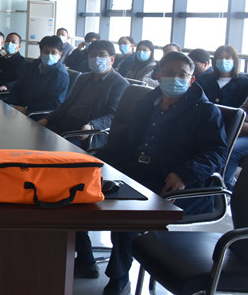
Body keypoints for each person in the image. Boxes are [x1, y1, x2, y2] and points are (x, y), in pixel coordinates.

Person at [89, 51, 227, 295]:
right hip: (135, 171)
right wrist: (95, 161)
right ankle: (84, 259)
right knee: (79, 193)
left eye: (182, 74)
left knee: (127, 214)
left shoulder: (205, 111)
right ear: (159, 76)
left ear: (192, 80)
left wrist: (185, 173)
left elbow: (216, 153)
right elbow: (124, 139)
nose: (176, 78)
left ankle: (119, 278)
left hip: (172, 181)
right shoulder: (147, 103)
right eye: (170, 73)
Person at [39, 39, 129, 149]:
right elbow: (66, 104)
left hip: (87, 132)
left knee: (58, 149)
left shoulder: (120, 84)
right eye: (93, 55)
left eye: (101, 55)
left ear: (112, 59)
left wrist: (92, 126)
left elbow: (112, 116)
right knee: (37, 137)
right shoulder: (83, 78)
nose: (96, 58)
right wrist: (47, 119)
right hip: (65, 122)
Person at [4, 35, 69, 119]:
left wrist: (26, 109)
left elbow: (54, 103)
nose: (49, 55)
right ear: (41, 53)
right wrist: (10, 104)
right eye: (46, 52)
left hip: (36, 114)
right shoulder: (33, 66)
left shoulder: (61, 74)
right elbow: (18, 86)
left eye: (53, 52)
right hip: (17, 109)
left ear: (60, 55)